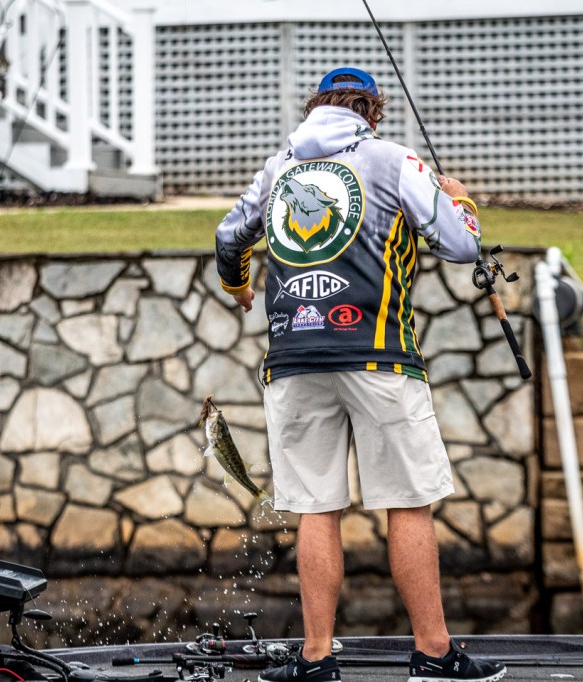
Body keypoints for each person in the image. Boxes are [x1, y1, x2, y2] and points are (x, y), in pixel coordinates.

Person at [214, 67, 507, 682]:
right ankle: (433, 654)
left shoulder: (278, 168)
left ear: (314, 108)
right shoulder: (393, 160)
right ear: (371, 112)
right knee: (408, 504)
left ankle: (316, 658)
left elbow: (228, 237)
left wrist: (238, 286)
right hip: (381, 357)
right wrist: (461, 201)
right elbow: (460, 245)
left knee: (317, 511)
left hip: (293, 359)